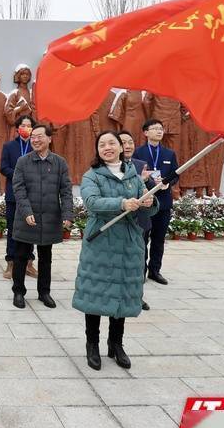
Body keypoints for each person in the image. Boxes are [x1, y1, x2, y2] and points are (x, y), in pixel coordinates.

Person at [73, 131, 159, 370]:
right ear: (97, 150)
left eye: (112, 143)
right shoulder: (92, 176)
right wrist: (121, 203)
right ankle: (92, 345)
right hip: (101, 241)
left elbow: (148, 209)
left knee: (121, 293)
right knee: (96, 294)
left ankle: (116, 344)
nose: (107, 147)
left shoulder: (133, 176)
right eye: (102, 144)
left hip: (129, 243)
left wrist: (150, 202)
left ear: (121, 147)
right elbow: (92, 203)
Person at [9, 123, 73, 309]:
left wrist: (67, 214)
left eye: (39, 136)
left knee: (46, 257)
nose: (35, 140)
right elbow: (19, 189)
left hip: (50, 217)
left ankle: (44, 292)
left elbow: (66, 191)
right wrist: (26, 211)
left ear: (49, 139)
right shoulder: (23, 161)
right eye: (33, 137)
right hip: (26, 217)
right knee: (20, 256)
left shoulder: (59, 162)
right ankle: (18, 291)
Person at [132, 119, 179, 285]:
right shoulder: (138, 153)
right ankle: (141, 271)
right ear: (146, 132)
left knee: (159, 239)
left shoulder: (169, 154)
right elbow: (135, 174)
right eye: (155, 129)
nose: (159, 131)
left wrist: (168, 182)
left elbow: (176, 174)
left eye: (161, 129)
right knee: (143, 238)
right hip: (145, 202)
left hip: (164, 201)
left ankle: (155, 270)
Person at [119, 130, 155, 311]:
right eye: (123, 142)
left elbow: (152, 191)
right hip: (121, 222)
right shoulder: (112, 167)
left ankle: (137, 296)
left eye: (130, 142)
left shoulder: (141, 164)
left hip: (140, 222)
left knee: (140, 260)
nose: (128, 146)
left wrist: (148, 183)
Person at [0, 115, 36, 279]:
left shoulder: (36, 146)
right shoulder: (9, 146)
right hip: (13, 194)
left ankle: (29, 262)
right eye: (23, 125)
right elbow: (4, 168)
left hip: (32, 195)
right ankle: (11, 262)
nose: (26, 128)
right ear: (17, 128)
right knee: (13, 228)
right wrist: (19, 175)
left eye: (29, 126)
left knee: (31, 229)